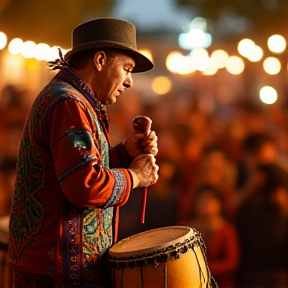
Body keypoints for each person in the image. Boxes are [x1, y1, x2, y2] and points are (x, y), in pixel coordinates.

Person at [8, 18, 159, 288]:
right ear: (100, 60)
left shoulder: (71, 99)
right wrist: (136, 176)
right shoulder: (69, 105)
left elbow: (73, 169)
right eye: (127, 69)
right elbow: (85, 186)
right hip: (58, 276)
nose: (129, 82)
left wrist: (125, 153)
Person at [189, 185, 240, 288]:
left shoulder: (226, 230)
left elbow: (232, 262)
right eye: (202, 200)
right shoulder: (187, 230)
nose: (206, 203)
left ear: (219, 204)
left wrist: (204, 269)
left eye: (211, 199)